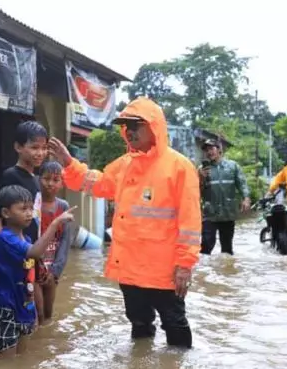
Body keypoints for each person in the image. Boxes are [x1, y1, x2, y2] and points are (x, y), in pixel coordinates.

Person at [47, 97, 201, 348]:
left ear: (154, 127)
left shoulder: (180, 167)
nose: (129, 131)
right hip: (130, 268)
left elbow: (190, 222)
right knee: (139, 323)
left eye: (135, 125)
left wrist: (185, 265)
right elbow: (94, 183)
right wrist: (69, 163)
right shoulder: (124, 165)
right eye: (125, 126)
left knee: (175, 323)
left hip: (165, 270)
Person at [0, 185, 74, 356]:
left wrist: (34, 310)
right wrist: (55, 223)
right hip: (6, 307)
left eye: (31, 208)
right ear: (6, 213)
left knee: (21, 358)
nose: (29, 213)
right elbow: (35, 252)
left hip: (25, 306)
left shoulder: (27, 239)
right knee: (7, 363)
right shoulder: (5, 238)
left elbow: (31, 276)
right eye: (23, 209)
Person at [0, 121, 48, 319]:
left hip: (30, 250)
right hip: (14, 254)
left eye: (44, 148)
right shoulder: (10, 176)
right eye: (34, 147)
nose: (40, 153)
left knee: (30, 308)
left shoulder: (35, 178)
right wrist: (1, 251)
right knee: (8, 306)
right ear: (18, 147)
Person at [198, 139, 250, 255]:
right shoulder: (201, 170)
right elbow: (196, 191)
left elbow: (242, 184)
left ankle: (226, 271)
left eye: (211, 148)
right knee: (205, 246)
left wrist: (246, 198)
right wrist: (201, 178)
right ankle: (205, 272)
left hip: (228, 213)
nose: (209, 152)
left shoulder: (233, 166)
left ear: (219, 150)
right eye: (206, 150)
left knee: (227, 249)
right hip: (209, 213)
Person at [38, 161, 73, 321]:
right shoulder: (33, 204)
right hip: (34, 267)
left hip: (52, 268)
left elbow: (65, 242)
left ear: (62, 183)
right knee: (37, 315)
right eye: (46, 179)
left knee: (48, 315)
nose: (50, 184)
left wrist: (55, 271)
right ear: (38, 179)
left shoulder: (63, 206)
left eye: (55, 179)